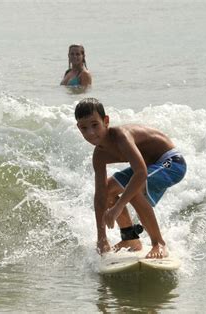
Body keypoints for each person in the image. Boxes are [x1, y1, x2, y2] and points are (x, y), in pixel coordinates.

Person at [74, 98, 187, 258]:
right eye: (84, 128)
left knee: (133, 189)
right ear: (79, 129)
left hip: (172, 163)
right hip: (150, 166)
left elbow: (140, 173)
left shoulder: (121, 137)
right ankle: (130, 239)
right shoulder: (99, 155)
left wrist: (118, 207)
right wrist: (101, 238)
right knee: (109, 190)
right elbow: (100, 195)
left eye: (95, 125)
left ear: (106, 121)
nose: (91, 132)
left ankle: (159, 243)